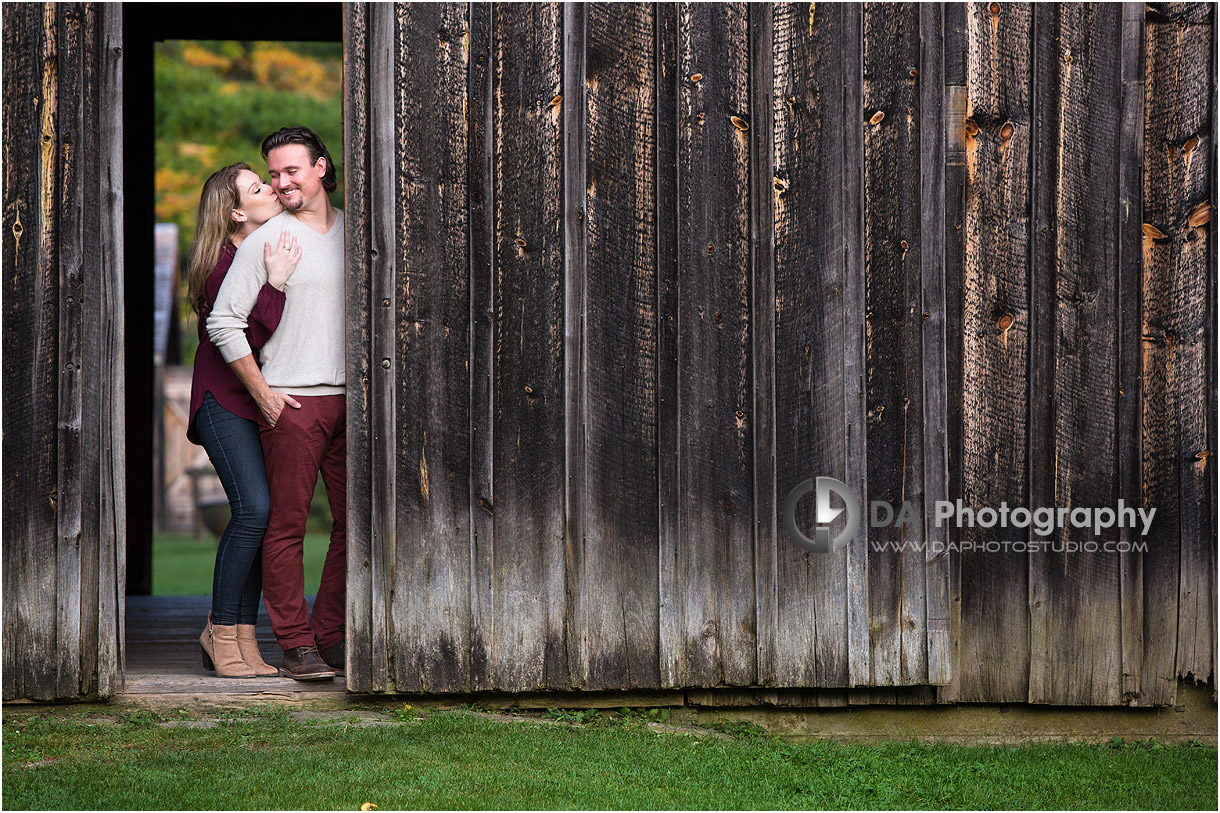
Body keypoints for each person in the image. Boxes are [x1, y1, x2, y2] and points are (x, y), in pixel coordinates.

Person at [207, 126, 347, 681]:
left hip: (353, 405)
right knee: (285, 526)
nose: (282, 182)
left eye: (292, 170)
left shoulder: (358, 233)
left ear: (321, 169)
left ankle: (330, 633)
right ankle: (296, 643)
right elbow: (223, 321)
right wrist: (264, 393)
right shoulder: (270, 240)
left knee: (353, 524)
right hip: (294, 405)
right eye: (274, 174)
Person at [186, 162, 302, 678]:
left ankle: (245, 640)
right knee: (254, 511)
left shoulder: (259, 248)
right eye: (258, 188)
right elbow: (242, 338)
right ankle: (220, 631)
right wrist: (275, 284)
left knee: (263, 516)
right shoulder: (221, 265)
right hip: (222, 403)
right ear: (236, 212)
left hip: (247, 405)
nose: (271, 189)